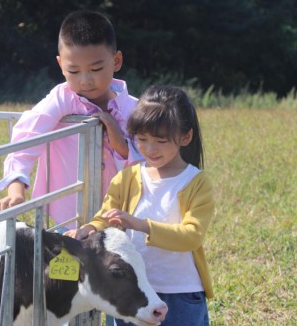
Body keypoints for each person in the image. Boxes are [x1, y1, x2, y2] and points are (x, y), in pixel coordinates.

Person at [65, 85, 215, 326]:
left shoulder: (196, 183)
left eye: (160, 141)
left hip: (179, 293)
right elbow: (106, 217)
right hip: (130, 290)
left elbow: (192, 236)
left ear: (185, 137)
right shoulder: (127, 177)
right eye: (142, 139)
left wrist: (141, 225)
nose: (149, 149)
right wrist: (89, 229)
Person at [0, 10, 143, 230]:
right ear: (60, 64)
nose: (85, 80)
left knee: (117, 264)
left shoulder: (134, 109)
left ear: (116, 60)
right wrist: (16, 188)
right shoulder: (62, 98)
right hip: (69, 218)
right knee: (67, 263)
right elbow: (27, 138)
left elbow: (150, 161)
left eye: (96, 68)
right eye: (73, 70)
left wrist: (118, 139)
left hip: (122, 218)